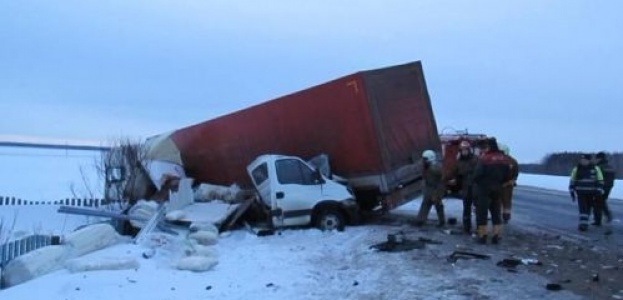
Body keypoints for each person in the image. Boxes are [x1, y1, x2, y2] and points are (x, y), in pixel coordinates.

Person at [473, 138, 512, 244]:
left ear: (489, 147)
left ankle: (482, 236)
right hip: (498, 189)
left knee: (482, 212)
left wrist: (477, 182)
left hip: (484, 189)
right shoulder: (504, 159)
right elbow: (508, 176)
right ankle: (496, 235)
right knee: (496, 212)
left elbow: (477, 174)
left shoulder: (485, 158)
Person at [447, 140, 478, 234]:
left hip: (475, 187)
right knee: (466, 208)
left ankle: (480, 228)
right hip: (465, 187)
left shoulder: (475, 159)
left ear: (469, 150)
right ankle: (466, 227)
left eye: (465, 149)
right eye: (462, 150)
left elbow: (478, 173)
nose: (464, 151)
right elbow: (456, 172)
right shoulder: (459, 161)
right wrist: (452, 179)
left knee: (478, 208)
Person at [569, 154, 604, 231]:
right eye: (582, 160)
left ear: (589, 160)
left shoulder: (595, 168)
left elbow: (600, 180)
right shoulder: (577, 169)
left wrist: (599, 190)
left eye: (585, 160)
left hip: (592, 193)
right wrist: (571, 190)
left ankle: (585, 222)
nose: (583, 161)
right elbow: (572, 180)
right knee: (582, 209)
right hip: (581, 193)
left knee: (588, 208)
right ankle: (583, 225)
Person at [414, 150, 446, 227]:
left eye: (425, 159)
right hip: (429, 189)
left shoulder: (435, 168)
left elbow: (442, 178)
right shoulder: (428, 167)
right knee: (425, 204)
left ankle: (442, 221)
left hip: (435, 189)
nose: (423, 161)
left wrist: (438, 191)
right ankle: (420, 220)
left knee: (437, 205)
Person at [498, 144, 519, 224]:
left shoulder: (511, 161)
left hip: (506, 185)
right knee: (505, 201)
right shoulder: (513, 160)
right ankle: (505, 216)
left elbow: (515, 173)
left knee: (501, 200)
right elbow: (516, 173)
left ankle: (502, 216)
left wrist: (512, 180)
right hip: (505, 184)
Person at [593, 152, 615, 223]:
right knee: (602, 201)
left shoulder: (599, 167)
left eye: (596, 158)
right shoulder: (610, 166)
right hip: (609, 186)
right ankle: (607, 215)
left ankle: (598, 220)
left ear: (600, 158)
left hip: (601, 186)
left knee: (597, 202)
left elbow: (596, 177)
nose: (595, 160)